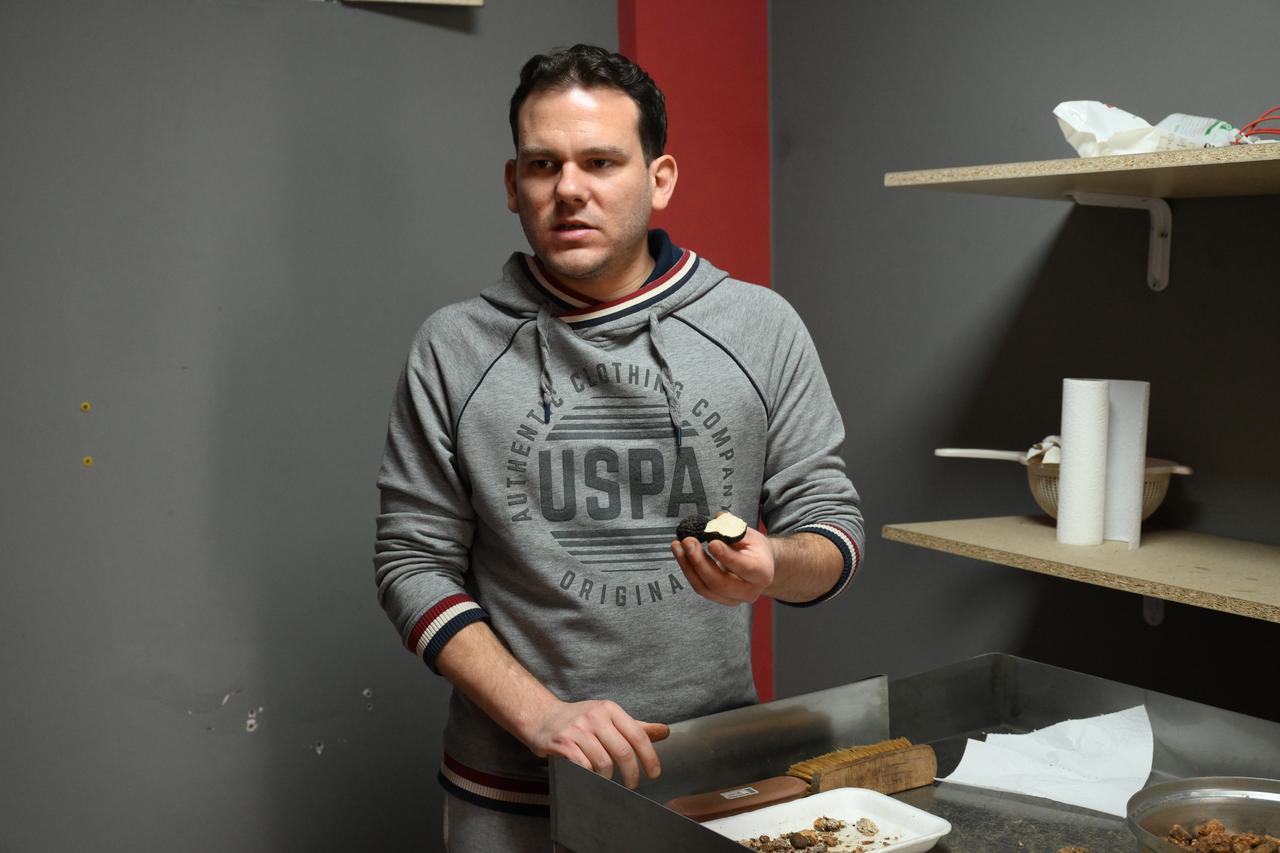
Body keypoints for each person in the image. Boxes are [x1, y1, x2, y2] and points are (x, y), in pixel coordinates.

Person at [373, 43, 864, 852]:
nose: (569, 188)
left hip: (708, 780)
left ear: (659, 178)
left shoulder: (760, 326)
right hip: (513, 792)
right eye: (544, 165)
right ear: (513, 184)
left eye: (601, 161)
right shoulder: (452, 347)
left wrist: (775, 564)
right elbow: (410, 563)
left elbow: (833, 529)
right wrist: (543, 717)